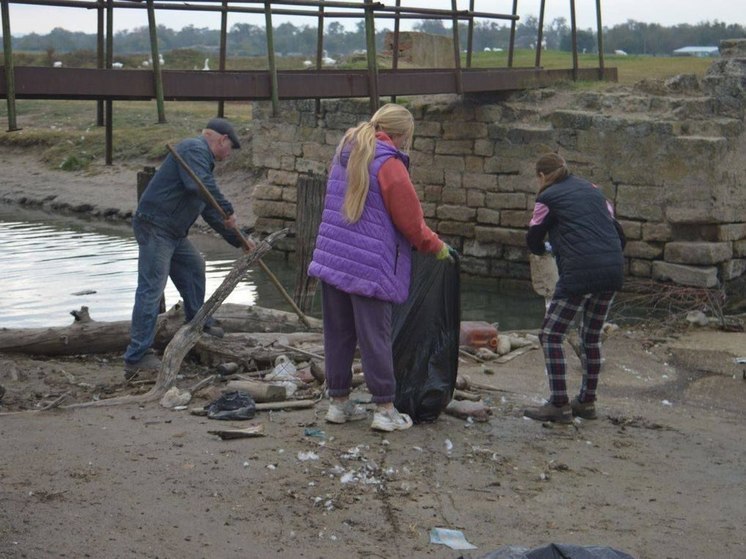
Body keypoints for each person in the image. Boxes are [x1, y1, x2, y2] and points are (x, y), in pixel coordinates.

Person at [307, 103, 455, 432]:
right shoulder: (389, 164)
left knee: (338, 334)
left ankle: (338, 404)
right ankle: (385, 408)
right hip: (368, 266)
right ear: (401, 134)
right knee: (375, 336)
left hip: (332, 259)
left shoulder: (344, 152)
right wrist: (436, 246)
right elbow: (411, 224)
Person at [123, 117, 253, 380]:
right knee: (151, 289)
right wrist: (228, 209)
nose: (229, 155)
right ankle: (137, 356)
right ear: (222, 140)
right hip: (156, 226)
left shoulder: (199, 160)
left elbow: (208, 208)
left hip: (172, 231)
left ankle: (197, 322)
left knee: (194, 267)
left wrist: (239, 240)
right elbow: (201, 186)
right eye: (230, 148)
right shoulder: (194, 150)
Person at [523, 153, 625, 423]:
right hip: (613, 268)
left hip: (579, 273)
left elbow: (533, 237)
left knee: (550, 334)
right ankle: (587, 402)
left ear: (542, 176)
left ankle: (559, 403)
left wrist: (545, 250)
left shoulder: (547, 198)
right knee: (590, 336)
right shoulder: (595, 192)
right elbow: (619, 234)